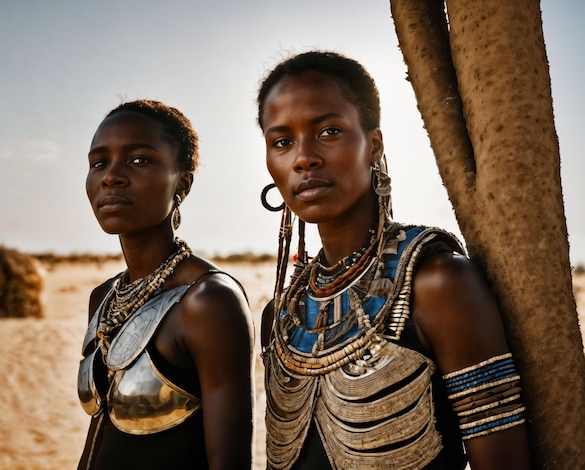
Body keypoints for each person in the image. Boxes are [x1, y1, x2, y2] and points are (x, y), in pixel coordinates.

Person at [257, 51, 530, 469]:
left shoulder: (437, 283)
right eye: (282, 142)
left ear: (375, 145)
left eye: (329, 131)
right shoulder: (282, 315)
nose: (303, 158)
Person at [77, 99, 254, 470]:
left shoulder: (208, 301)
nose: (111, 176)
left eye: (139, 159)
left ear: (182, 184)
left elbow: (230, 461)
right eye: (99, 163)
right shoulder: (104, 299)